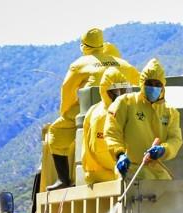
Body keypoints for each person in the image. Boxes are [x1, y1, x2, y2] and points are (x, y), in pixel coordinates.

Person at [47, 28, 140, 190]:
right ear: (102, 44)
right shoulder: (122, 63)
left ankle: (63, 180)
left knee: (55, 132)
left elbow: (67, 90)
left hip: (89, 109)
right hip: (123, 107)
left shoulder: (79, 64)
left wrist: (66, 114)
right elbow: (139, 83)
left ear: (84, 46)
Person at [104, 58, 183, 180]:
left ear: (163, 87)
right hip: (130, 167)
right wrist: (119, 154)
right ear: (142, 83)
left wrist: (164, 149)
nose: (153, 88)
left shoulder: (171, 112)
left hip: (156, 168)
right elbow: (112, 132)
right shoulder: (125, 102)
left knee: (171, 188)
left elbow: (175, 139)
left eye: (157, 85)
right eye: (149, 83)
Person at [82, 67, 134, 184]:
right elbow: (101, 152)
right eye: (118, 92)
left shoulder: (121, 111)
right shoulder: (101, 116)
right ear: (107, 92)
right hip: (101, 174)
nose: (122, 95)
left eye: (124, 90)